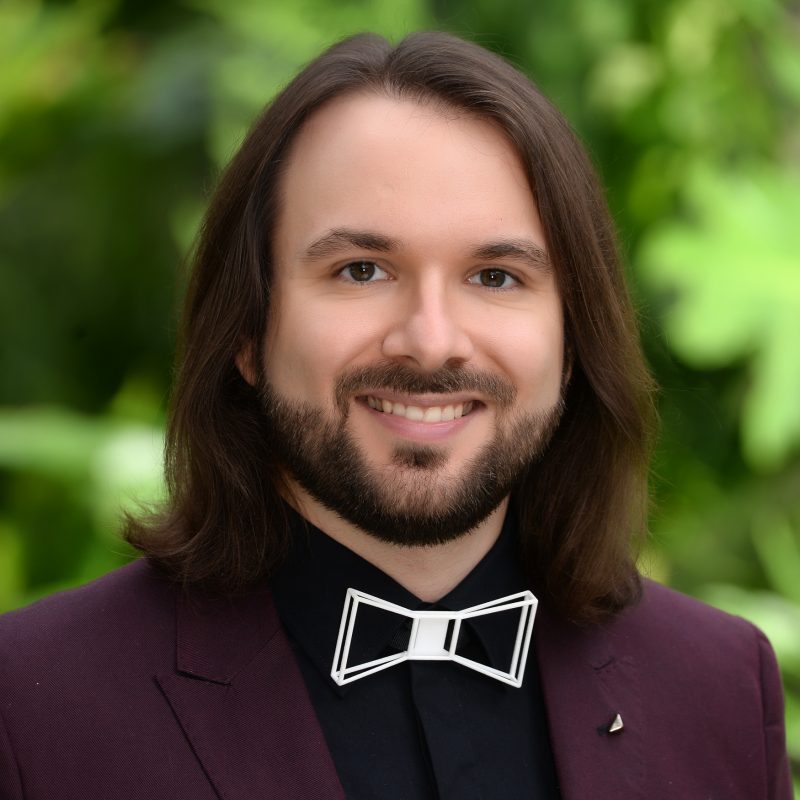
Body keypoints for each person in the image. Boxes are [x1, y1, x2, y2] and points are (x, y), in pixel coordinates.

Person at [0, 31, 792, 800]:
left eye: (495, 275)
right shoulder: (34, 709)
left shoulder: (720, 692)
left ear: (572, 340)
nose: (431, 341)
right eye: (362, 270)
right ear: (247, 329)